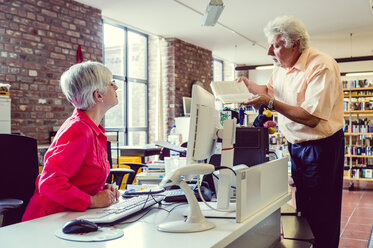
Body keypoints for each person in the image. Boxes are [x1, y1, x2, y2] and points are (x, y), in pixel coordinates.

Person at [238, 16, 345, 248]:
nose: (269, 52)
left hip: (321, 147)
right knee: (304, 208)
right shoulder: (280, 68)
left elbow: (311, 117)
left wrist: (269, 103)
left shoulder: (321, 65)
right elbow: (270, 91)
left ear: (294, 44)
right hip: (296, 146)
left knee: (322, 212)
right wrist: (249, 87)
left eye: (275, 45)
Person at [22, 61, 120, 221]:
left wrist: (101, 191)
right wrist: (93, 201)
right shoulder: (78, 130)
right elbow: (50, 183)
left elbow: (79, 179)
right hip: (47, 221)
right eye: (111, 83)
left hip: (71, 217)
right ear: (98, 95)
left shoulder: (93, 130)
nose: (116, 88)